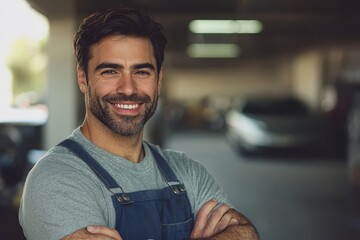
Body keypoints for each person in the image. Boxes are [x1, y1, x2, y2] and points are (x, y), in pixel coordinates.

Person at [19, 7, 259, 240]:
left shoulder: (188, 172)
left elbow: (246, 233)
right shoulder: (57, 178)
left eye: (142, 72)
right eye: (110, 72)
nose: (128, 89)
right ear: (83, 78)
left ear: (158, 80)